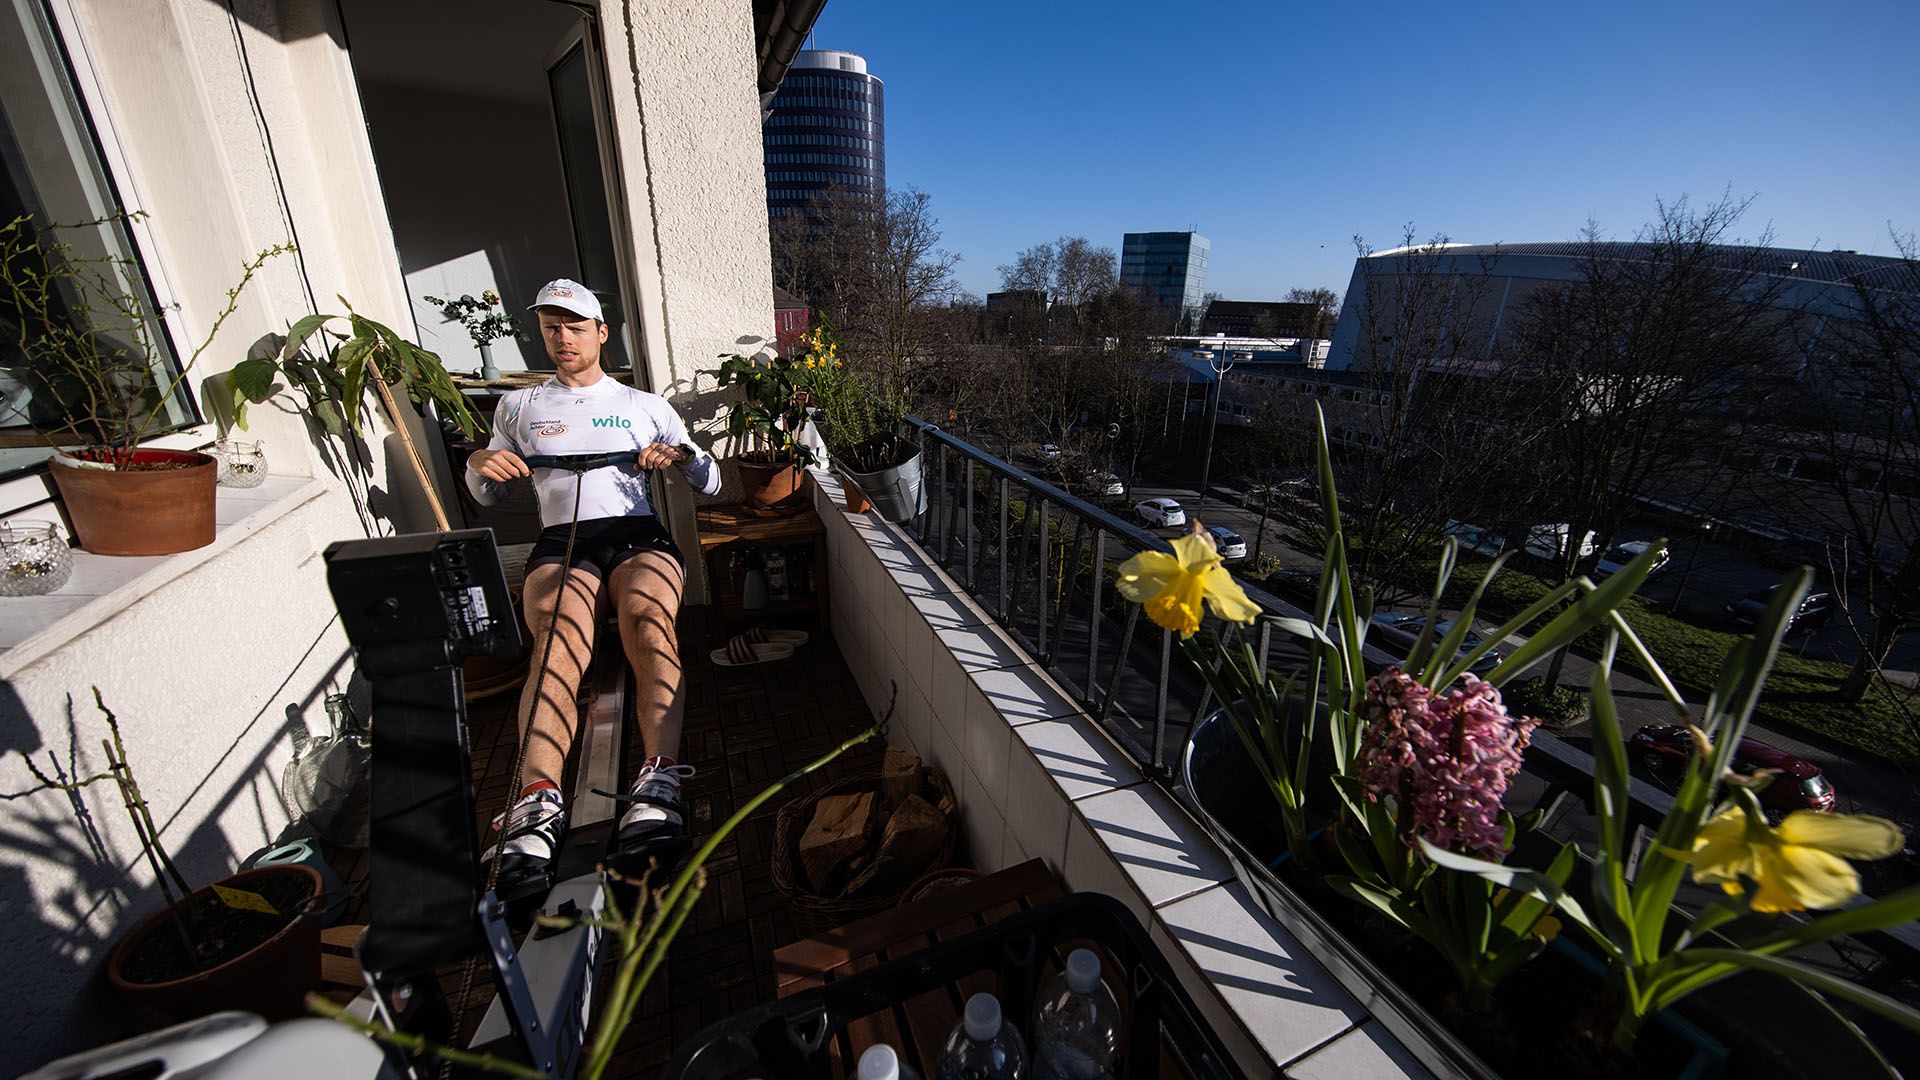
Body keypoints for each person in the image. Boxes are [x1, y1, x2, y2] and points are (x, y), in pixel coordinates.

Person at [465, 278, 721, 897]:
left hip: (636, 535)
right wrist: (479, 467)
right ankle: (535, 799)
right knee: (558, 640)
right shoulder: (520, 408)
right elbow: (490, 494)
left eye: (576, 327)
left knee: (648, 622)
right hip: (564, 539)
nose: (563, 338)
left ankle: (658, 781)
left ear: (601, 332)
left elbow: (710, 480)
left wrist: (682, 458)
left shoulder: (642, 403)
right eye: (552, 327)